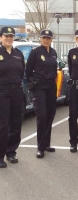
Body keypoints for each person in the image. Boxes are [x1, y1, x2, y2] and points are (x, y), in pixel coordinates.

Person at [26, 29, 57, 159]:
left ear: (51, 39)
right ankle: (40, 147)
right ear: (40, 39)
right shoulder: (35, 52)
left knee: (50, 115)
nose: (46, 40)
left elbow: (55, 69)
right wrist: (32, 84)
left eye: (48, 38)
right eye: (44, 38)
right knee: (42, 116)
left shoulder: (54, 52)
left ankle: (46, 144)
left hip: (51, 86)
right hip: (39, 87)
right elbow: (28, 71)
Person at [0, 26, 25, 168]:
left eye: (11, 36)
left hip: (16, 91)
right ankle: (0, 155)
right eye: (6, 36)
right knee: (3, 125)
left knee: (16, 123)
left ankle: (11, 152)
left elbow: (21, 73)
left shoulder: (18, 54)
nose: (9, 38)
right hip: (2, 92)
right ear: (1, 37)